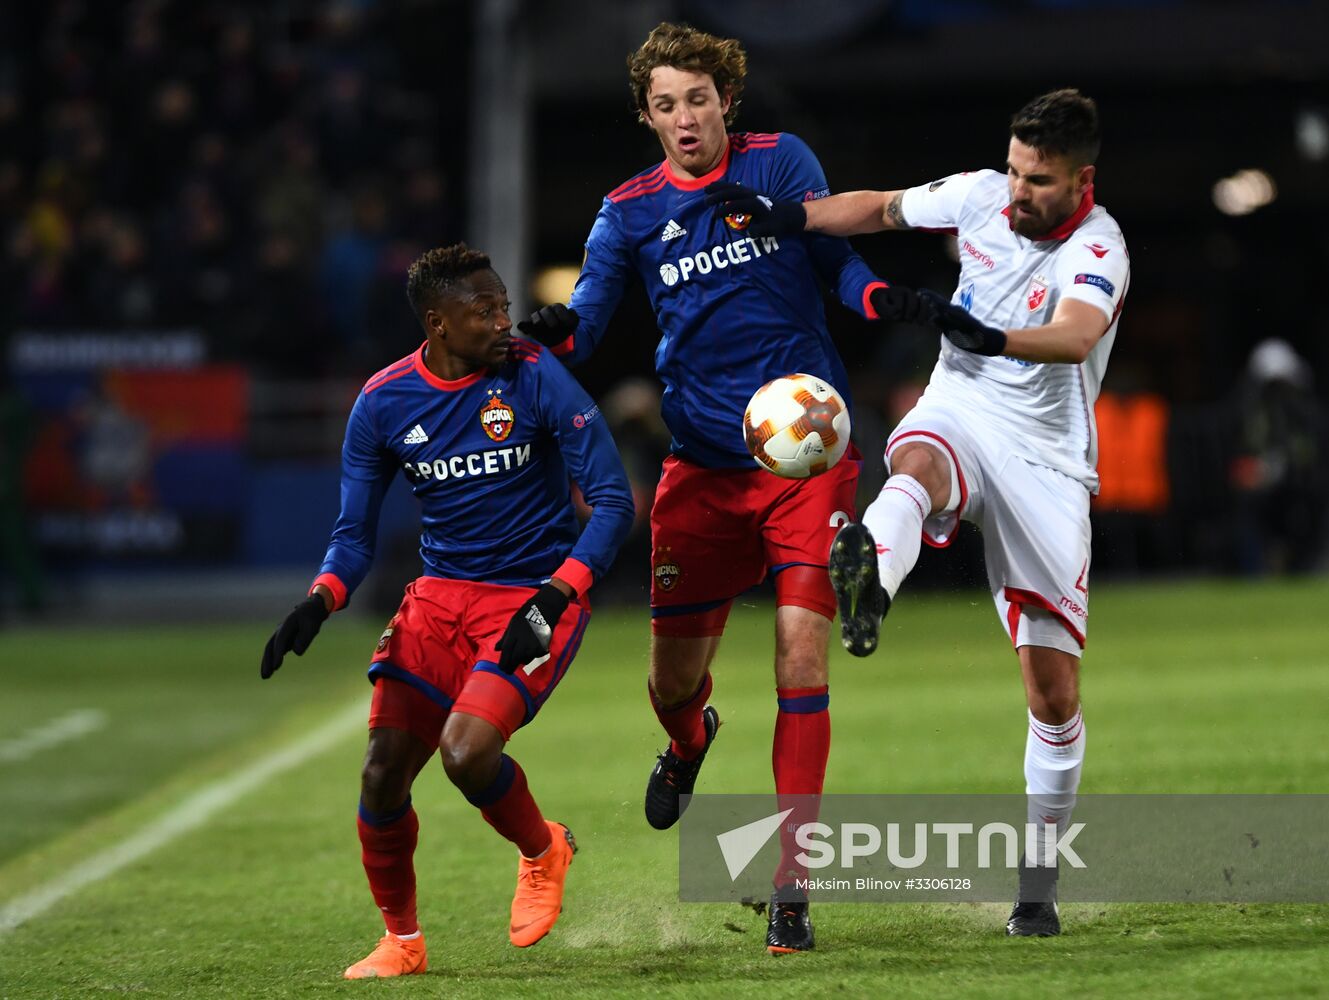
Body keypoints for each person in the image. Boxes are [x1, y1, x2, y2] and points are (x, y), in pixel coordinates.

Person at [518, 22, 911, 955]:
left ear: (726, 101)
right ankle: (690, 743)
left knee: (801, 664)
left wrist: (876, 301)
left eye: (699, 99)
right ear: (647, 118)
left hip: (807, 462)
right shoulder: (626, 212)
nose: (686, 118)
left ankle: (791, 886)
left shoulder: (779, 167)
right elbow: (588, 323)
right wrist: (547, 331)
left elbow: (838, 263)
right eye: (666, 105)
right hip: (700, 473)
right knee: (670, 685)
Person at [708, 88, 1130, 937]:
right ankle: (870, 579)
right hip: (963, 407)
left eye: (1037, 180)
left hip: (1046, 459)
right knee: (915, 461)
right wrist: (788, 215)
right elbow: (885, 209)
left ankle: (1037, 889)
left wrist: (987, 334)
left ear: (1080, 179)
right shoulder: (980, 193)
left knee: (1052, 698)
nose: (1016, 192)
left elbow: (1078, 334)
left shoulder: (1098, 244)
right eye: (1013, 170)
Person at [260, 243, 634, 978]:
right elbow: (352, 536)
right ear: (437, 323)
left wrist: (556, 595)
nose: (504, 321)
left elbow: (614, 504)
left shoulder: (534, 375)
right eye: (484, 311)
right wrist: (319, 599)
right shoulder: (384, 401)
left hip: (531, 596)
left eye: (503, 306)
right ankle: (402, 942)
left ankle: (541, 849)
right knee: (380, 776)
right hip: (438, 599)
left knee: (466, 754)